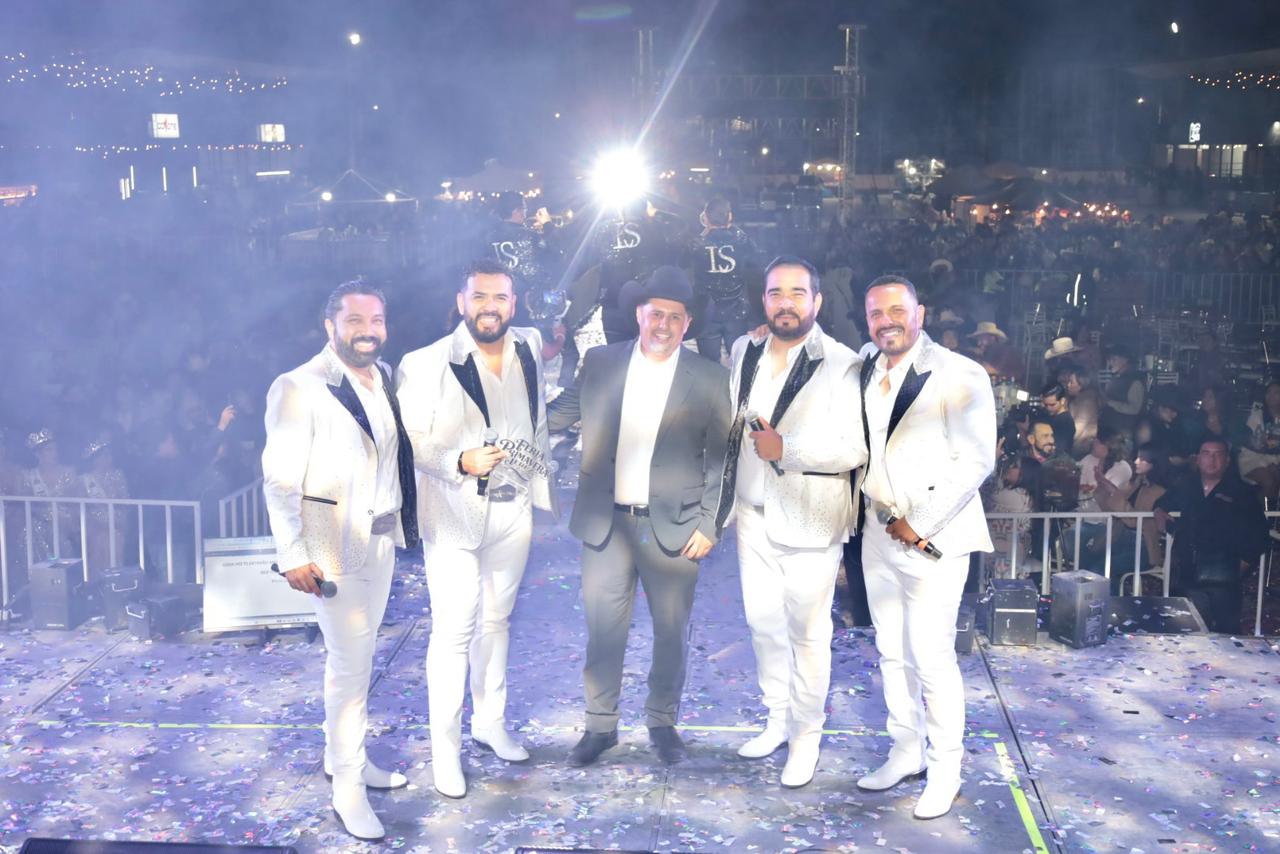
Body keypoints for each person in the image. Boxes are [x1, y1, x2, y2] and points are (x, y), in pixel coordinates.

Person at [547, 266, 731, 768]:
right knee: (603, 631)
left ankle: (662, 723)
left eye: (674, 317)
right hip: (605, 524)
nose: (663, 325)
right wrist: (506, 419)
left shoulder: (710, 378)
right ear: (639, 315)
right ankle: (599, 726)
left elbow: (721, 458)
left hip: (675, 526)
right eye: (655, 314)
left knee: (671, 633)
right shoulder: (601, 361)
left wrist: (710, 523)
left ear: (687, 323)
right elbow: (560, 412)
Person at [261, 280, 419, 841]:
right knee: (349, 667)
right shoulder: (298, 386)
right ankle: (347, 790)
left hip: (380, 540)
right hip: (331, 549)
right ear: (330, 326)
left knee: (361, 657)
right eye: (355, 321)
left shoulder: (387, 375)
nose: (367, 331)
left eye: (376, 320)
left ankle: (344, 758)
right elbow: (279, 480)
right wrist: (292, 554)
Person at [395, 259, 559, 799]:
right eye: (480, 297)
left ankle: (490, 723)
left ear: (514, 303)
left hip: (514, 510)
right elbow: (407, 440)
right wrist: (458, 461)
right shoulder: (424, 363)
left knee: (497, 622)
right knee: (453, 632)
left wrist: (541, 485)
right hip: (453, 513)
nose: (491, 307)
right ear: (461, 301)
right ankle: (445, 752)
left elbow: (538, 414)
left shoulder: (528, 346)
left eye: (501, 297)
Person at [715, 256, 866, 787]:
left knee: (808, 635)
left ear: (817, 301)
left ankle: (806, 738)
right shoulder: (746, 348)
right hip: (751, 515)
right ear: (764, 300)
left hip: (809, 517)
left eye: (797, 293)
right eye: (776, 293)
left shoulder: (842, 362)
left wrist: (789, 448)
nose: (786, 303)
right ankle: (777, 719)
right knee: (762, 624)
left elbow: (854, 447)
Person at [854, 275, 996, 820]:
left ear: (921, 313)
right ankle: (906, 751)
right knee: (891, 651)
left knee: (932, 658)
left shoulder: (961, 373)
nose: (886, 321)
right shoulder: (865, 363)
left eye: (897, 310)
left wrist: (921, 523)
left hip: (933, 539)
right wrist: (763, 338)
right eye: (875, 313)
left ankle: (944, 771)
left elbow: (976, 459)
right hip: (877, 533)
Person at [1155, 436, 1269, 633]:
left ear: (1227, 460)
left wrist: (1239, 566)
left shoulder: (1242, 492)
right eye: (1206, 454)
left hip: (1222, 580)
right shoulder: (1187, 485)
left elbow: (1259, 535)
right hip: (1186, 575)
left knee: (1223, 637)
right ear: (1198, 459)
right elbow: (1162, 502)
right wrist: (1158, 512)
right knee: (1183, 633)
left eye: (1217, 454)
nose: (1212, 459)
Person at [690, 197, 759, 363]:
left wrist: (705, 231)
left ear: (706, 218)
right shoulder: (742, 241)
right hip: (736, 311)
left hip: (707, 311)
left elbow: (683, 264)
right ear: (730, 216)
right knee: (740, 362)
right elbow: (756, 265)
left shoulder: (697, 244)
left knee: (708, 365)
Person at [1239, 380, 1280, 503]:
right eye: (1268, 392)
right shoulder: (1257, 414)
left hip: (1275, 459)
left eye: (1276, 392)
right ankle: (1257, 512)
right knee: (1269, 482)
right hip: (1253, 459)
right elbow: (1251, 441)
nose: (1271, 396)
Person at [1100, 346, 1146, 435]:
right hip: (1111, 429)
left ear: (1125, 360)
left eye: (1114, 359)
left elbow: (1134, 409)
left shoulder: (1135, 381)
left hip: (1125, 431)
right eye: (1110, 360)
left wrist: (1109, 402)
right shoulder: (1115, 378)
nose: (1110, 363)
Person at [1040, 383, 1076, 457]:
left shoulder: (1065, 422)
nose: (1048, 408)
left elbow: (1057, 450)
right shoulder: (1050, 416)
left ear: (1062, 401)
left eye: (1052, 405)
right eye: (1046, 405)